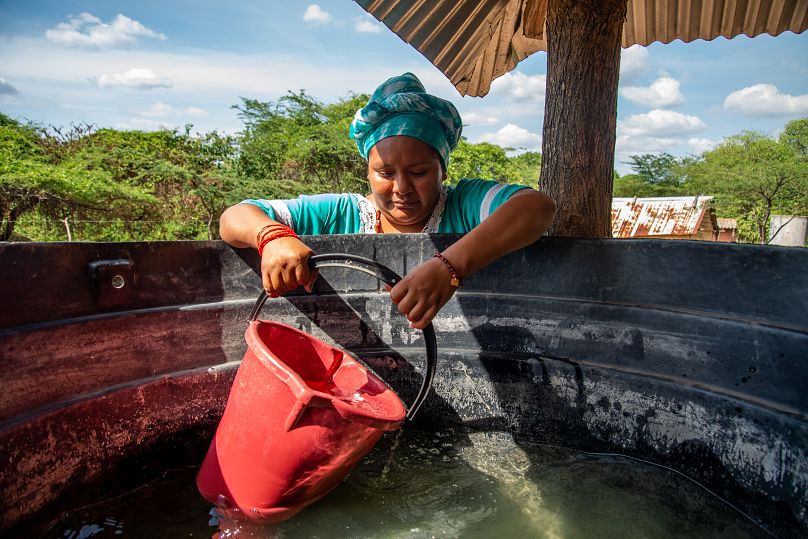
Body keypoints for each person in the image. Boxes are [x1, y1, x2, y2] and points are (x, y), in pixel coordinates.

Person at [219, 73, 555, 330]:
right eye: (385, 172)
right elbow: (235, 216)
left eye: (419, 172)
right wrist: (272, 237)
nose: (402, 187)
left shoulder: (464, 204)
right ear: (367, 171)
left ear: (443, 170)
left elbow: (535, 207)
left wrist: (449, 267)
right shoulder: (341, 213)